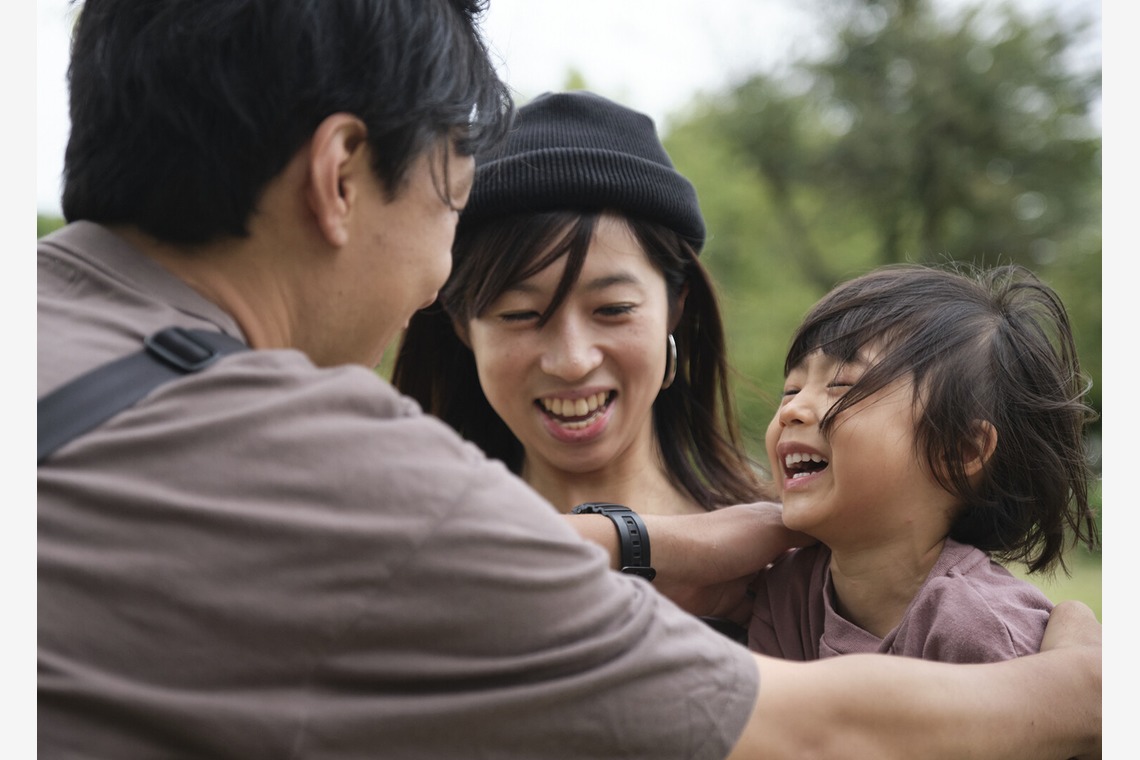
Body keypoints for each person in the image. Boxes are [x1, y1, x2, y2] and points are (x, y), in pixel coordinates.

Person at [37, 1, 1101, 759]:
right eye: (453, 213)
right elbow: (811, 730)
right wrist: (1088, 684)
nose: (430, 279)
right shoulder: (334, 471)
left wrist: (657, 541)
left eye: (611, 307)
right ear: (341, 175)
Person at [393, 90, 773, 516]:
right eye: (520, 314)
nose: (572, 362)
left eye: (613, 309)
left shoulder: (794, 561)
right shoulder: (410, 559)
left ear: (676, 306)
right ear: (462, 325)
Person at [750, 263, 1100, 662]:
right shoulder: (785, 593)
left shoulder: (980, 631)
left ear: (959, 451)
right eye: (791, 388)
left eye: (842, 385)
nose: (792, 409)